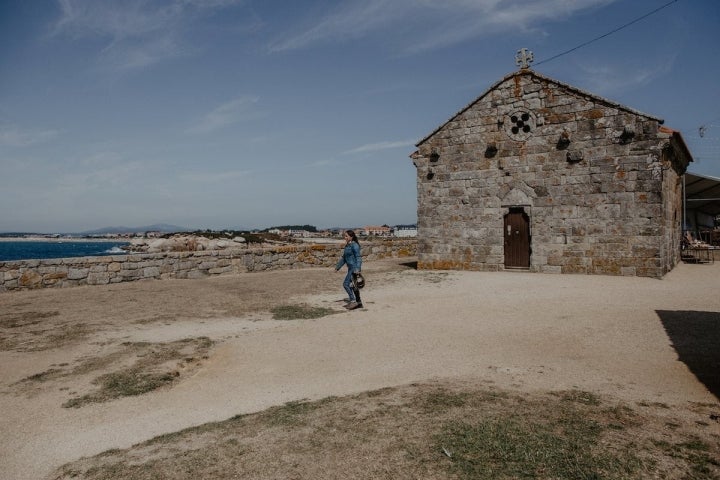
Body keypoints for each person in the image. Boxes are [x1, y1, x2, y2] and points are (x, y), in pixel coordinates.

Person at [335, 229, 363, 310]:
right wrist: (337, 267)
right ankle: (359, 303)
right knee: (354, 286)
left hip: (354, 268)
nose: (345, 237)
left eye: (346, 236)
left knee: (346, 284)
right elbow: (344, 258)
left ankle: (353, 301)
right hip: (350, 268)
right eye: (344, 236)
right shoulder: (348, 245)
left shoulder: (355, 245)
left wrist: (358, 268)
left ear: (351, 237)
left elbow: (358, 258)